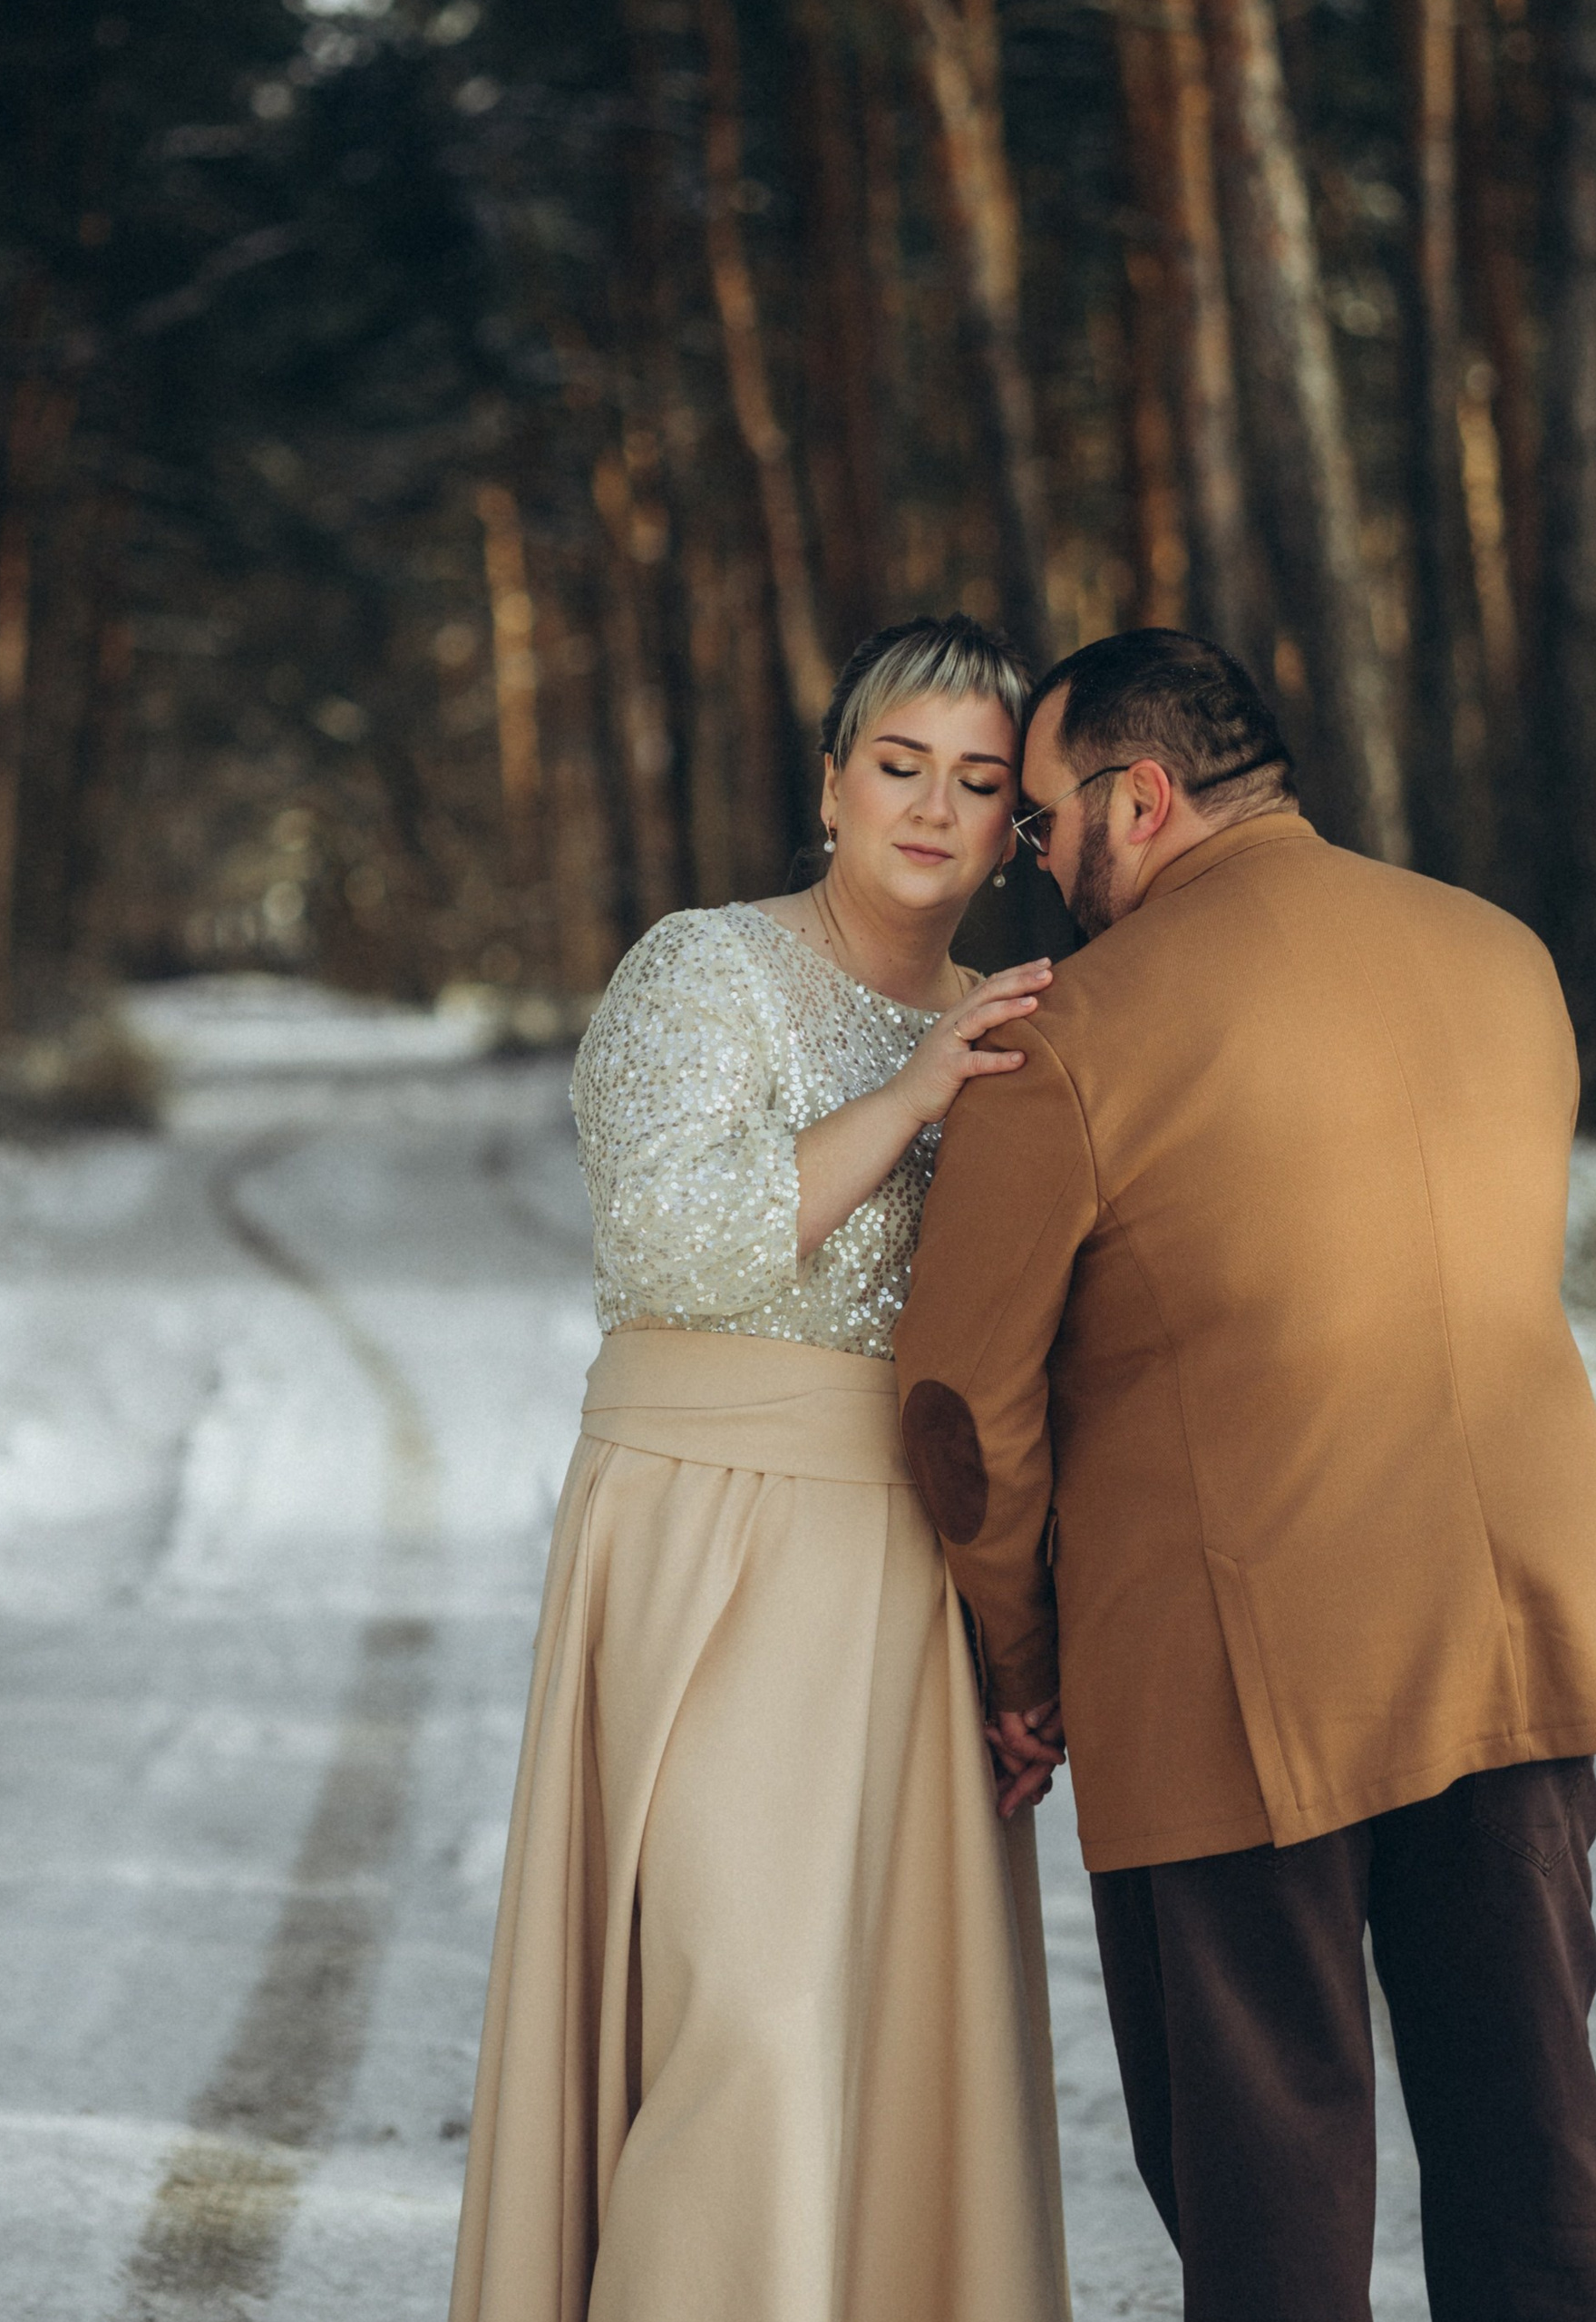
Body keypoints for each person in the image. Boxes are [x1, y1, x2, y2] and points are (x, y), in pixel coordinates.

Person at [895, 629, 1596, 2322]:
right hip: (1509, 1630)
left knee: (1269, 2199)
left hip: (1234, 1681)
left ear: (1139, 800)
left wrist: (1028, 1663)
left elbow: (957, 1400)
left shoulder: (1070, 1031)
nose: (1031, 862)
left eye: (1038, 822)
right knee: (1534, 2144)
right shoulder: (1503, 954)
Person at [449, 614, 1074, 2322]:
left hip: (912, 1564)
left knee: (895, 2038)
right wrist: (917, 1096)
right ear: (830, 783)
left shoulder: (1025, 1021)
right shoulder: (702, 968)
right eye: (899, 767)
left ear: (1024, 826)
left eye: (980, 783)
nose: (933, 812)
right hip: (707, 1539)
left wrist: (1031, 1632)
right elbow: (671, 1239)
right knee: (747, 2014)